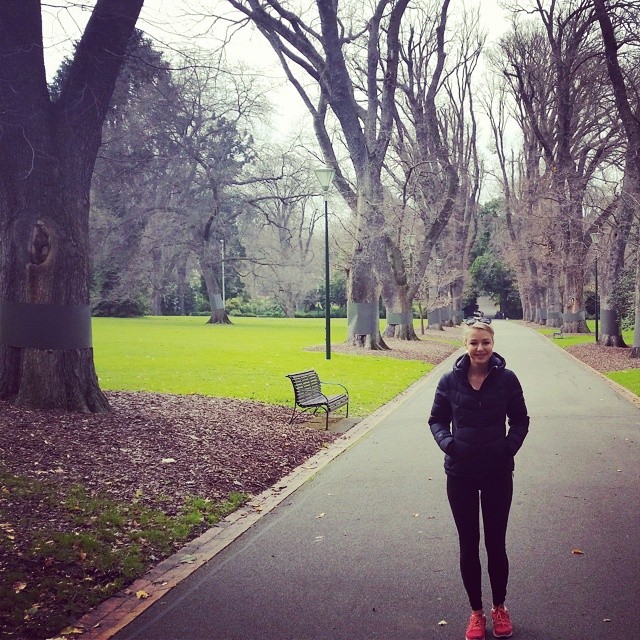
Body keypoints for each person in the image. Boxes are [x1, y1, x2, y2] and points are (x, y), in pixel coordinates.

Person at [428, 321, 529, 640]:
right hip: (461, 473)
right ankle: (476, 612)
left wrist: (507, 448)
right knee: (468, 544)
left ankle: (499, 607)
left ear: (493, 343)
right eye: (474, 343)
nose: (480, 348)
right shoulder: (449, 380)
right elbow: (437, 420)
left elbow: (521, 420)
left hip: (498, 472)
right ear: (465, 345)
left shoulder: (507, 379)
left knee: (496, 543)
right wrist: (449, 444)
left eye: (485, 342)